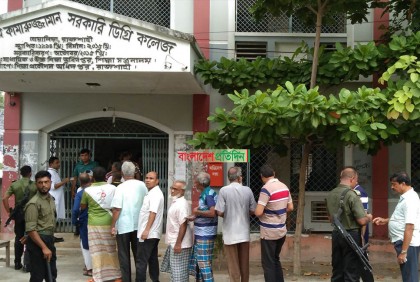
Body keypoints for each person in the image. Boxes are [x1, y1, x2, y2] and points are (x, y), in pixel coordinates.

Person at [326, 167, 372, 282]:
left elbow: (330, 219)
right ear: (352, 179)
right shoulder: (352, 195)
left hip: (336, 234)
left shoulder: (331, 194)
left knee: (337, 270)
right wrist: (369, 218)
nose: (356, 182)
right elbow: (361, 220)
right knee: (351, 271)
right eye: (356, 180)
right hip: (351, 235)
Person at [373, 172, 420, 282]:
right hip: (405, 242)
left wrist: (404, 252)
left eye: (394, 184)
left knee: (410, 277)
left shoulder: (410, 200)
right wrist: (386, 220)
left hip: (408, 244)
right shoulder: (405, 197)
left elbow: (409, 226)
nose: (392, 187)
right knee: (407, 275)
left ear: (403, 183)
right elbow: (403, 218)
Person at [215, 166, 256, 282]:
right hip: (244, 232)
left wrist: (228, 214)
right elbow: (254, 210)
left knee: (233, 264)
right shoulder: (247, 190)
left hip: (230, 233)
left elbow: (220, 211)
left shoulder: (224, 190)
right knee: (244, 263)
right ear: (240, 178)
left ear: (229, 178)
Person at [80, 167, 122, 282]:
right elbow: (117, 204)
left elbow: (83, 206)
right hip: (110, 222)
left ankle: (97, 277)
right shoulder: (113, 188)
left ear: (92, 178)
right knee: (111, 249)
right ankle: (117, 276)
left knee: (96, 250)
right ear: (105, 177)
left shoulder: (87, 190)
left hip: (94, 224)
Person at [254, 165, 293, 282]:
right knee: (276, 259)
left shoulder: (266, 189)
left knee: (268, 263)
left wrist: (266, 211)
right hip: (281, 230)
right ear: (274, 173)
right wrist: (279, 211)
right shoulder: (284, 186)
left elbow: (258, 212)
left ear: (262, 177)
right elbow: (290, 207)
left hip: (269, 232)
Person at [111, 161, 147, 282]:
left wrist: (112, 226)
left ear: (122, 173)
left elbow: (116, 209)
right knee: (139, 255)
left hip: (123, 226)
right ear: (135, 172)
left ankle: (126, 279)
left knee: (123, 255)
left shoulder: (120, 187)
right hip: (139, 225)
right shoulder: (142, 185)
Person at [2, 165, 37, 270]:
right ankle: (29, 263)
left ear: (20, 174)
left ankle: (17, 262)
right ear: (30, 173)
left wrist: (9, 211)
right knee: (31, 237)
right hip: (32, 213)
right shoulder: (34, 185)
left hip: (18, 214)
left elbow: (5, 198)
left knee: (19, 238)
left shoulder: (15, 184)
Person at [24, 170, 57, 281]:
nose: (44, 185)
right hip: (38, 242)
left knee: (51, 275)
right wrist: (44, 247)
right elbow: (31, 230)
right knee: (37, 276)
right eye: (40, 182)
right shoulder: (33, 203)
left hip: (49, 239)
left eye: (46, 182)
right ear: (36, 184)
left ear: (50, 182)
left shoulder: (51, 199)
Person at [161, 180, 193, 282]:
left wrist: (178, 243)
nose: (172, 190)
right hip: (177, 242)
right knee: (180, 272)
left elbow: (183, 225)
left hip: (179, 243)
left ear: (182, 191)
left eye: (175, 189)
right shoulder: (177, 202)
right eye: (172, 188)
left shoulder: (181, 205)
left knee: (177, 273)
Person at [188, 172, 218, 282]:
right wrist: (195, 216)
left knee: (203, 263)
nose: (195, 184)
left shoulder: (208, 194)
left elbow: (212, 213)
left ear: (201, 183)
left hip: (205, 233)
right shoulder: (207, 192)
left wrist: (197, 211)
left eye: (196, 182)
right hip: (204, 232)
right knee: (204, 262)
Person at [136, 171, 164, 282]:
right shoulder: (152, 192)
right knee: (152, 259)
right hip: (151, 233)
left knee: (141, 261)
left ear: (157, 181)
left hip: (149, 233)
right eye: (146, 178)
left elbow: (153, 212)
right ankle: (155, 280)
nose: (147, 180)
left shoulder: (155, 194)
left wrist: (146, 230)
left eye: (151, 178)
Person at [71, 172, 92, 277]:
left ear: (80, 182)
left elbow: (75, 210)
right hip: (97, 221)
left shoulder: (80, 193)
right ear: (90, 180)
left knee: (85, 245)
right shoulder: (96, 191)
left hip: (84, 221)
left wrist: (75, 222)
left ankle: (89, 268)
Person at [354, 181, 374, 282]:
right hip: (355, 233)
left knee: (363, 261)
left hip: (359, 234)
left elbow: (364, 215)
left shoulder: (360, 192)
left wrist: (362, 236)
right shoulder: (351, 191)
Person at [47, 156, 69, 243]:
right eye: (57, 163)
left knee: (54, 219)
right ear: (51, 164)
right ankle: (50, 237)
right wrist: (64, 181)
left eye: (59, 162)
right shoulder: (50, 173)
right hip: (54, 199)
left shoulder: (54, 172)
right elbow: (53, 186)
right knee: (52, 219)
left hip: (56, 199)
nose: (59, 164)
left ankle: (52, 236)